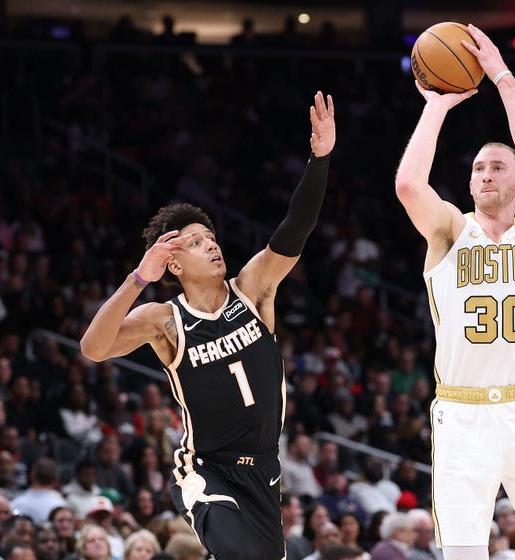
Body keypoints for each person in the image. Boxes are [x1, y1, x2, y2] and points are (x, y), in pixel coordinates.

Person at [79, 90, 336, 560]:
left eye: (211, 237)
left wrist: (319, 159)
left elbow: (294, 229)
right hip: (206, 470)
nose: (212, 245)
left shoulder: (252, 290)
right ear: (173, 264)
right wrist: (139, 279)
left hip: (265, 468)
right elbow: (93, 348)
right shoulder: (164, 319)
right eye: (196, 243)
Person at [394, 23, 515, 560]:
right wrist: (437, 106)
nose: (485, 174)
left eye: (498, 167)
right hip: (463, 413)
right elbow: (408, 185)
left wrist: (501, 75)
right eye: (478, 168)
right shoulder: (450, 231)